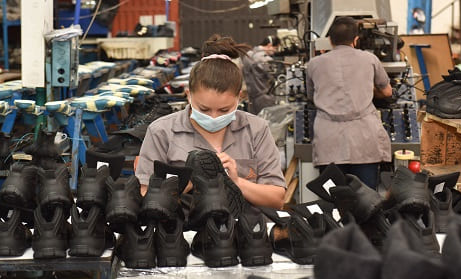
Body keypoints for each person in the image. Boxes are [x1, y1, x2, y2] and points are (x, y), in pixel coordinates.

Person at [136, 34, 286, 210]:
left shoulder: (256, 130)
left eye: (224, 110)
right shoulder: (162, 131)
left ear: (239, 97)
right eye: (204, 109)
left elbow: (277, 199)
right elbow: (144, 196)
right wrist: (189, 182)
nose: (213, 117)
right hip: (183, 233)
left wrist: (236, 182)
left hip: (245, 231)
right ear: (188, 95)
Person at [306, 17, 392, 190]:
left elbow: (311, 95)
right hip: (364, 139)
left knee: (333, 199)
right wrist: (367, 88)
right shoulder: (370, 59)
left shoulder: (313, 64)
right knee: (367, 198)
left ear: (330, 40)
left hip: (329, 140)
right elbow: (387, 91)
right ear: (355, 39)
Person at [242, 35, 281, 114]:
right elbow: (273, 77)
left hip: (251, 98)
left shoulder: (248, 55)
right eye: (275, 48)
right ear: (269, 45)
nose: (275, 52)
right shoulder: (265, 59)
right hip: (264, 98)